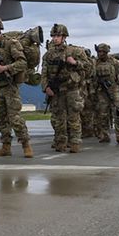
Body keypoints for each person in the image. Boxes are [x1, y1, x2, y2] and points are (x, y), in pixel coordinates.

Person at [0, 16, 33, 158]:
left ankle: (26, 145)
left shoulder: (10, 43)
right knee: (2, 119)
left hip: (10, 87)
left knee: (15, 118)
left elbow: (22, 63)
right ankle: (6, 147)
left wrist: (5, 68)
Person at [41, 24, 89, 152]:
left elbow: (88, 67)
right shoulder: (48, 55)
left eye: (58, 36)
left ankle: (75, 143)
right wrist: (45, 87)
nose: (55, 38)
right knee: (58, 118)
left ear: (64, 37)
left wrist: (75, 63)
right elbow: (44, 73)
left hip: (71, 89)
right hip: (56, 91)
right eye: (53, 36)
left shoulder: (75, 51)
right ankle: (60, 142)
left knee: (73, 117)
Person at [93, 44, 119, 144]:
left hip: (114, 89)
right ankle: (105, 135)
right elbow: (92, 77)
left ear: (106, 52)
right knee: (102, 114)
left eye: (102, 52)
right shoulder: (95, 64)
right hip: (101, 91)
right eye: (99, 52)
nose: (100, 54)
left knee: (117, 113)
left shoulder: (116, 63)